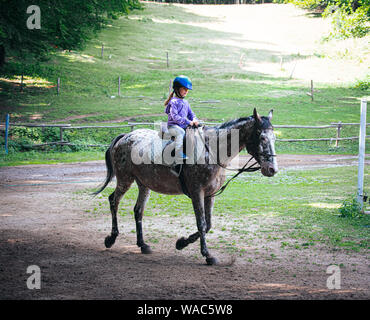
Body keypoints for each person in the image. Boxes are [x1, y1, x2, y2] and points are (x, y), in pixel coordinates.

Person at [164, 75, 199, 162]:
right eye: (184, 89)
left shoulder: (186, 102)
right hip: (173, 127)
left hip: (182, 126)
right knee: (181, 133)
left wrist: (194, 119)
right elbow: (175, 117)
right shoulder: (173, 102)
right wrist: (188, 122)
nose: (186, 91)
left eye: (187, 90)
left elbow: (191, 114)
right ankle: (178, 153)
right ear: (177, 89)